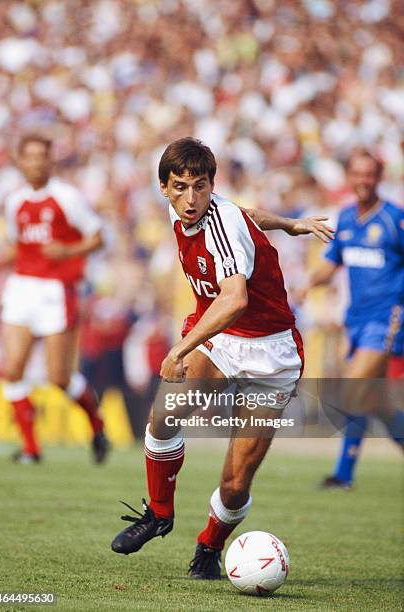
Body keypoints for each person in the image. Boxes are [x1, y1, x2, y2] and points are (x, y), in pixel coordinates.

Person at [110, 137, 334, 578]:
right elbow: (248, 213)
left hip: (272, 354)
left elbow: (233, 298)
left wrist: (179, 348)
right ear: (164, 188)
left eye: (200, 186)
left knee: (234, 484)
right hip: (224, 340)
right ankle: (159, 513)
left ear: (212, 185)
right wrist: (288, 223)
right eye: (180, 186)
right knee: (164, 417)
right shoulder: (198, 212)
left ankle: (209, 548)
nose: (190, 198)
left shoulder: (220, 222)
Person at [0, 134, 110, 464]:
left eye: (42, 156)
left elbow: (98, 237)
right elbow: (21, 246)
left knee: (58, 377)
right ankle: (30, 448)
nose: (36, 162)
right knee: (12, 370)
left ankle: (97, 426)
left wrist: (69, 250)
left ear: (50, 160)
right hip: (22, 287)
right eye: (29, 156)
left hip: (56, 290)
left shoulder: (66, 197)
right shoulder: (15, 202)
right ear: (20, 160)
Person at [298, 149, 404, 489]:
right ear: (349, 176)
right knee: (378, 404)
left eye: (369, 174)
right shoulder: (344, 218)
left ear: (379, 177)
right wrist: (306, 285)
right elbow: (333, 262)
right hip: (355, 321)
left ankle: (343, 473)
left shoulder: (393, 219)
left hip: (387, 319)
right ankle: (343, 476)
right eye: (357, 174)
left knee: (352, 388)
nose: (363, 181)